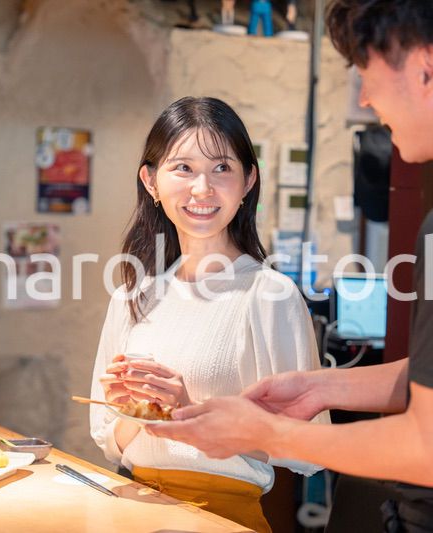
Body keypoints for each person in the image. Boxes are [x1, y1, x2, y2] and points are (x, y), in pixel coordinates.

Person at [149, 1, 433, 531]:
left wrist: (265, 433)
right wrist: (324, 387)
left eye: (367, 74)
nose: (366, 100)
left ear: (426, 70)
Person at [89, 96, 328, 533]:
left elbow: (309, 449)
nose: (202, 188)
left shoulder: (270, 295)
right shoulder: (132, 297)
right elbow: (112, 443)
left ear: (248, 180)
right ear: (151, 181)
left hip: (223, 518)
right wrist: (133, 411)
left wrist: (189, 413)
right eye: (183, 167)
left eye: (221, 168)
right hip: (131, 510)